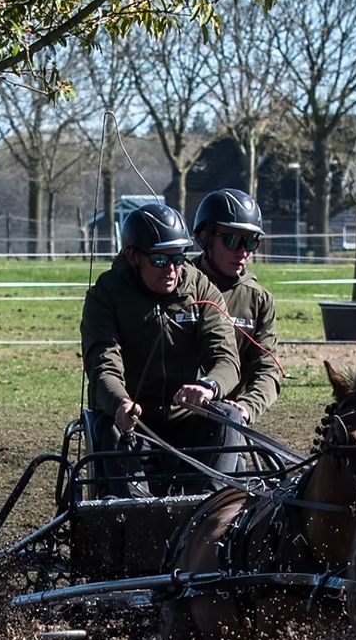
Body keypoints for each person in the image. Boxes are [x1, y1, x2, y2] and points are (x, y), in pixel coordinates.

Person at [80, 202, 243, 495]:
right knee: (111, 427)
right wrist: (120, 403)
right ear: (132, 256)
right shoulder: (106, 295)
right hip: (133, 422)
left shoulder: (201, 289)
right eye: (159, 260)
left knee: (227, 416)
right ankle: (137, 513)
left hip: (188, 420)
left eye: (178, 258)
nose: (172, 269)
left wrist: (208, 387)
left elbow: (226, 358)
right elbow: (103, 363)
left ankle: (212, 509)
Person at [189, 188, 281, 426]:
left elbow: (267, 371)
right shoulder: (177, 286)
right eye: (232, 240)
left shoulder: (258, 300)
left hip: (225, 420)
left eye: (251, 242)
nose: (243, 251)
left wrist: (247, 407)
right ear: (204, 238)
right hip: (171, 414)